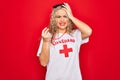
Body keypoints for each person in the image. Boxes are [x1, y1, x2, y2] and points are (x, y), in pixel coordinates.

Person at [37, 3, 92, 80]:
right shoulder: (47, 36)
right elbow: (43, 63)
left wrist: (71, 16)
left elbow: (88, 31)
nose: (62, 20)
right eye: (58, 17)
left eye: (65, 16)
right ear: (54, 19)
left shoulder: (75, 34)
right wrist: (46, 41)